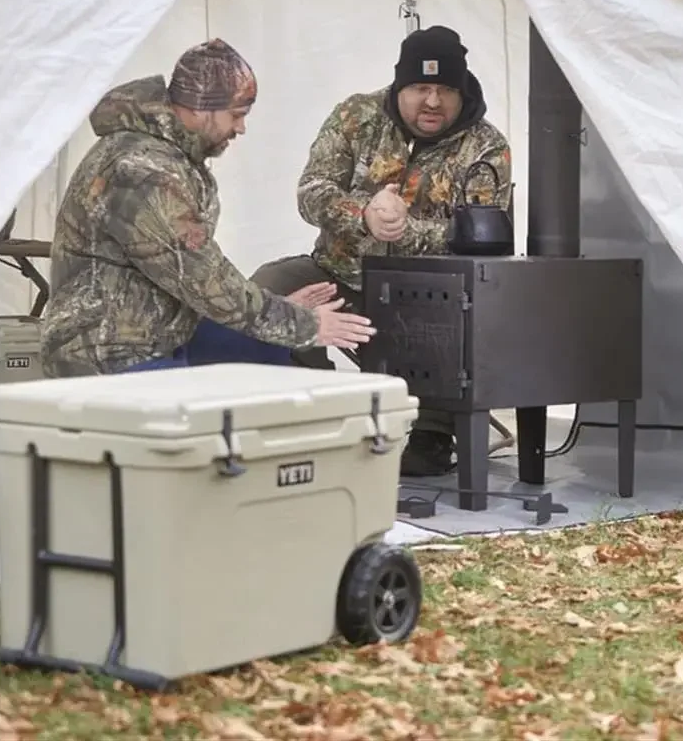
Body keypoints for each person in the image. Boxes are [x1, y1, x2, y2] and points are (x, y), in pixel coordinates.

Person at [253, 25, 511, 477]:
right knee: (270, 289)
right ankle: (319, 412)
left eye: (446, 89)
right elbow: (311, 192)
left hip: (432, 297)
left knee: (468, 314)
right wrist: (363, 214)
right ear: (399, 85)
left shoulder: (486, 147)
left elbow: (483, 235)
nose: (432, 101)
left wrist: (403, 230)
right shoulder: (357, 116)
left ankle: (432, 428)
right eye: (421, 88)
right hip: (343, 274)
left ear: (462, 90)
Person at [41, 39, 374, 378]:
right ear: (201, 108)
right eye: (236, 115)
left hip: (159, 331)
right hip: (108, 352)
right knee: (275, 346)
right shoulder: (143, 171)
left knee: (271, 347)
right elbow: (202, 277)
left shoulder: (165, 154)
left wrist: (282, 315)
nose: (241, 128)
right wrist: (302, 324)